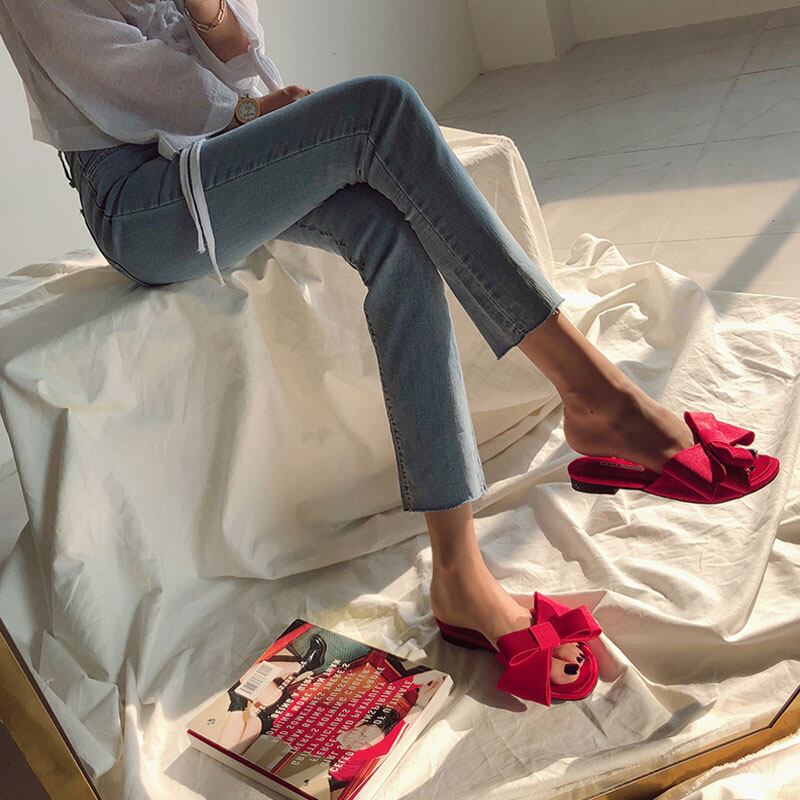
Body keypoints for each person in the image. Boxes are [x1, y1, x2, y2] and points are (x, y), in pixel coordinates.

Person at [0, 0, 771, 701]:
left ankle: (459, 575)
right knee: (380, 107)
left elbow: (241, 54)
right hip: (143, 202)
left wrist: (208, 14)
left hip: (221, 154)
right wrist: (253, 112)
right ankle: (598, 397)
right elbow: (127, 88)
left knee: (393, 232)